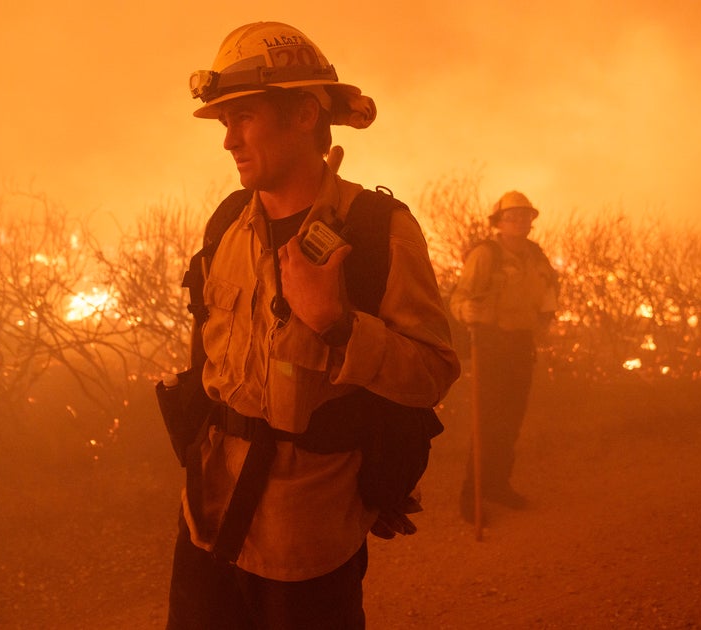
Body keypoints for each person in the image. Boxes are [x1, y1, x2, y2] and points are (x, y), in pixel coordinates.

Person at [167, 22, 460, 628]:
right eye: (224, 122)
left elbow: (433, 370)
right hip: (207, 518)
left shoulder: (378, 230)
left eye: (244, 117)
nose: (228, 140)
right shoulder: (226, 225)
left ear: (304, 114)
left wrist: (336, 322)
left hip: (306, 539)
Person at [450, 191, 558, 522]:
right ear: (499, 222)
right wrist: (465, 310)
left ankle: (497, 484)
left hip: (521, 345)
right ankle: (471, 494)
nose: (520, 222)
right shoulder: (485, 255)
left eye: (525, 216)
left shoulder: (535, 255)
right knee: (488, 421)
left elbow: (549, 289)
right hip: (491, 344)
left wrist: (546, 316)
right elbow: (459, 298)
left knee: (511, 421)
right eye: (513, 217)